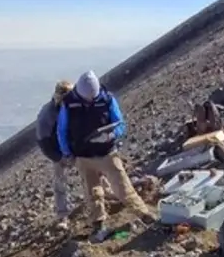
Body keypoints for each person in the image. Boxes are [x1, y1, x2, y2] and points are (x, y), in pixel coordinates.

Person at [57, 70, 155, 236]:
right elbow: (62, 130)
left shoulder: (107, 99)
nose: (89, 100)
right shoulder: (68, 104)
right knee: (92, 191)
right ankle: (98, 222)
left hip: (107, 153)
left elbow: (120, 124)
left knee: (122, 185)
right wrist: (67, 152)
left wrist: (111, 135)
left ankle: (143, 213)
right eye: (86, 98)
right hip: (83, 156)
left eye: (92, 98)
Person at [35, 80, 76, 229]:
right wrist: (59, 157)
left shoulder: (75, 106)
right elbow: (43, 141)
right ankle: (62, 216)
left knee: (96, 171)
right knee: (60, 183)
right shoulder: (47, 115)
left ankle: (105, 196)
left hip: (77, 148)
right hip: (60, 153)